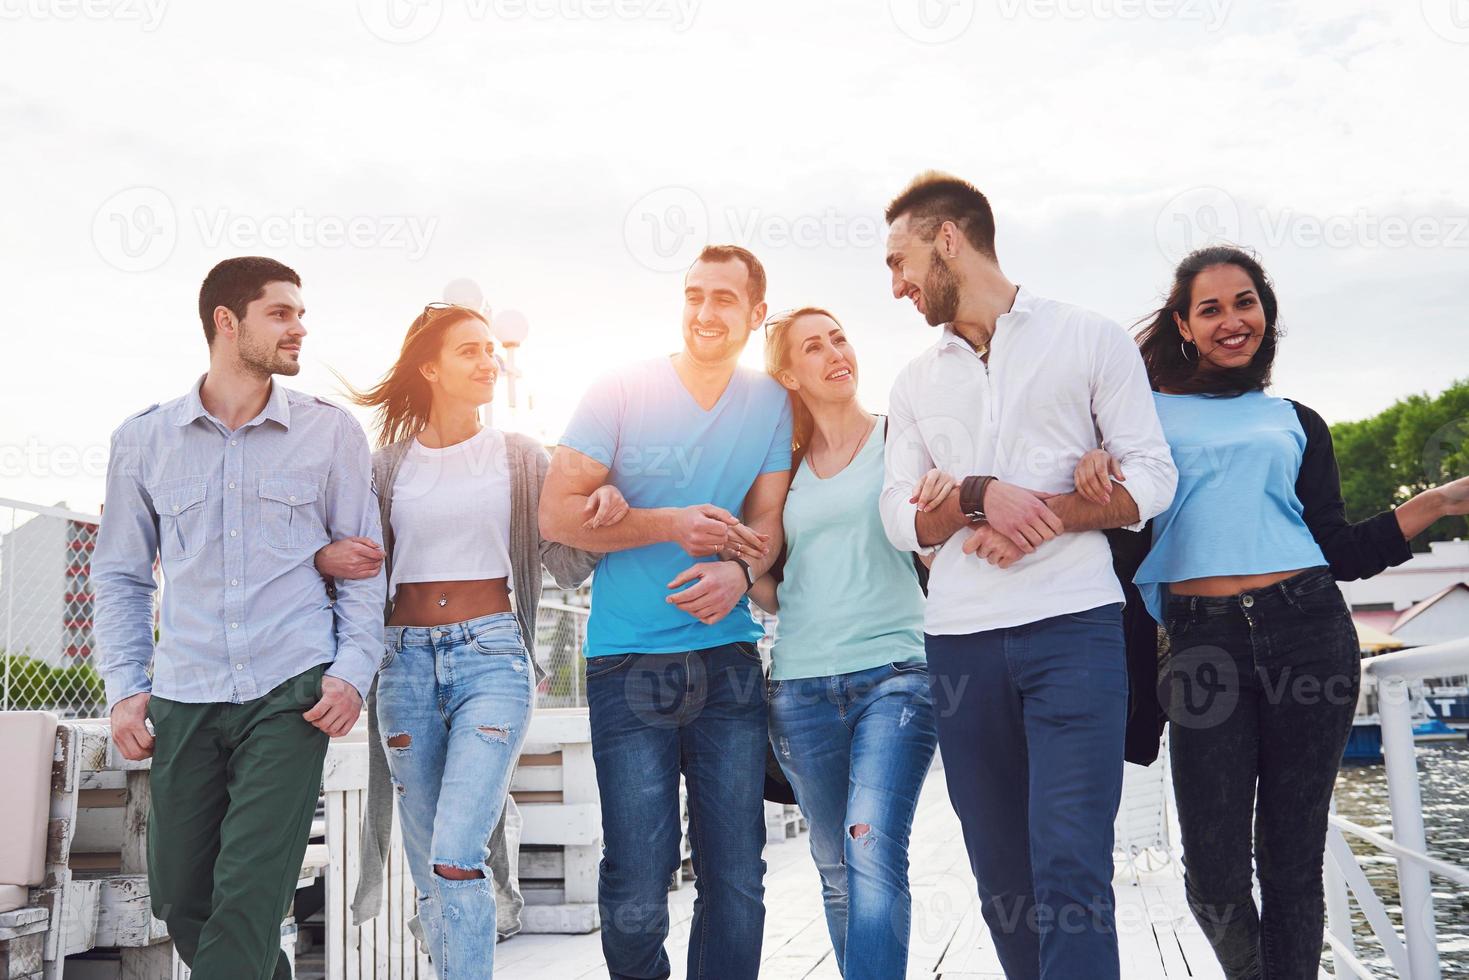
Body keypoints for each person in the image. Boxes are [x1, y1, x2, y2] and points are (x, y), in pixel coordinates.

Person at [1069, 245, 1469, 980]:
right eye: (1210, 308)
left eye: (1244, 302)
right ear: (1183, 327)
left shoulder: (1296, 421)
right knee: (1213, 876)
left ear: (1265, 312)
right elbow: (1105, 517)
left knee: (1290, 861)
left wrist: (1437, 502)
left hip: (1307, 630)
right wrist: (1092, 467)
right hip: (1198, 646)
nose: (1231, 321)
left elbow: (1339, 549)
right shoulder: (1138, 416)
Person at [878, 172, 1179, 980]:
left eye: (899, 261)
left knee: (1069, 861)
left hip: (1074, 630)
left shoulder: (1088, 338)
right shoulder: (912, 382)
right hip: (959, 648)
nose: (896, 285)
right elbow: (898, 519)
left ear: (948, 239)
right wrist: (979, 497)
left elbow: (1151, 479)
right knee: (1002, 878)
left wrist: (1041, 513)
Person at [93, 256, 386, 980]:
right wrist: (126, 687)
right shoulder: (142, 441)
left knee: (250, 893)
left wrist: (351, 672)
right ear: (227, 322)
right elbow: (122, 575)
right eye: (281, 313)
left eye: (299, 313)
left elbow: (364, 570)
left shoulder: (330, 434)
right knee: (183, 897)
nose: (300, 327)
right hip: (184, 691)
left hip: (290, 691)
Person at [315, 301, 620, 978]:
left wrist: (600, 511)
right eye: (471, 351)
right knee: (431, 860)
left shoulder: (520, 457)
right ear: (429, 367)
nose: (490, 362)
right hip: (402, 666)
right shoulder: (385, 467)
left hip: (492, 660)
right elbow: (357, 572)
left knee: (456, 849)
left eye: (492, 350)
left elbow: (565, 564)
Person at [539, 245, 792, 980]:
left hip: (730, 660)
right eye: (693, 295)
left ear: (754, 313)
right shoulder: (618, 390)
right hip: (626, 662)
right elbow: (555, 515)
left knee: (736, 875)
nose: (705, 312)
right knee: (636, 880)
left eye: (722, 298)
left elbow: (767, 520)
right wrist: (668, 524)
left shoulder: (771, 402)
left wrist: (740, 573)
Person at [750, 307, 944, 978]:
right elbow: (775, 584)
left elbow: (936, 542)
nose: (835, 351)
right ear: (787, 373)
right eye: (813, 346)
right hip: (799, 688)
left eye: (838, 337)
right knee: (834, 868)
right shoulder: (784, 470)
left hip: (897, 674)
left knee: (871, 845)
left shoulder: (901, 441)